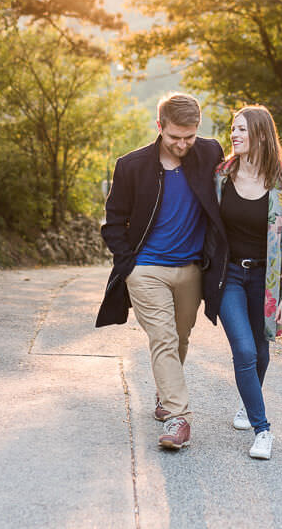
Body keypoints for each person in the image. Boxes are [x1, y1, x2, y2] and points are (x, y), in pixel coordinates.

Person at [96, 93, 228, 451]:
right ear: (159, 127)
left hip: (190, 269)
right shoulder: (132, 166)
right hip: (147, 269)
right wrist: (129, 263)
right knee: (164, 338)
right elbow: (112, 223)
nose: (183, 144)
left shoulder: (210, 152)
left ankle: (164, 394)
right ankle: (177, 418)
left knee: (181, 338)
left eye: (190, 136)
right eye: (175, 137)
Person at [214, 104, 282, 461]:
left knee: (261, 351)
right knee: (244, 350)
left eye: (241, 130)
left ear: (261, 134)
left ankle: (247, 402)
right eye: (233, 129)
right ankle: (262, 428)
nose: (234, 135)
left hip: (264, 281)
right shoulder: (220, 176)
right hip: (228, 275)